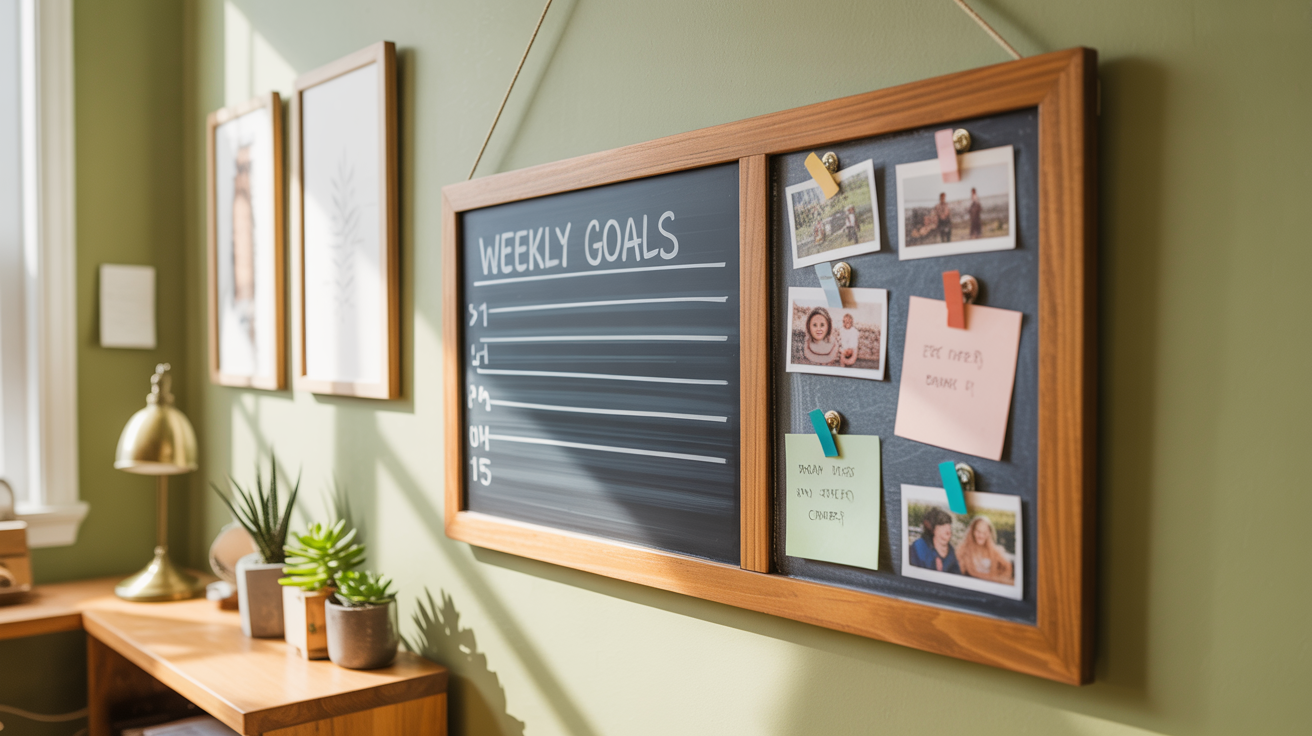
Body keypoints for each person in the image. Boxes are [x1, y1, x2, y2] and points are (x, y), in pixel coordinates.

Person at [956, 516, 1014, 584]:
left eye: (984, 533)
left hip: (991, 583)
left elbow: (1008, 567)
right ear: (972, 531)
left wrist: (1000, 580)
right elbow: (957, 570)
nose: (981, 536)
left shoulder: (993, 550)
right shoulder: (964, 548)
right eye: (978, 531)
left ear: (989, 533)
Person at [909, 507, 960, 574]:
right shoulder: (919, 547)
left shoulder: (951, 552)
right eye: (942, 528)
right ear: (933, 530)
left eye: (949, 528)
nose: (948, 533)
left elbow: (956, 574)